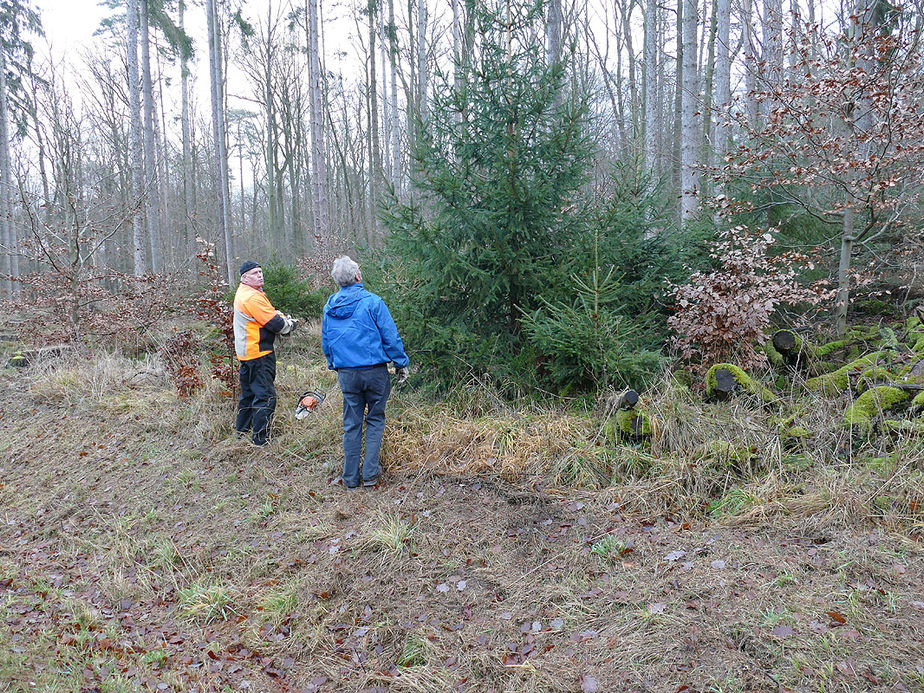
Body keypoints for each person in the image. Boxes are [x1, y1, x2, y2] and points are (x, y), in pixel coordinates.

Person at [322, 256, 409, 489]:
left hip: (347, 374)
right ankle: (370, 475)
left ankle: (350, 478)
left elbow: (327, 342)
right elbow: (390, 337)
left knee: (351, 424)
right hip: (374, 372)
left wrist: (334, 364)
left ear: (338, 280)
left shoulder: (330, 305)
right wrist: (401, 363)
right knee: (375, 419)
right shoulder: (373, 302)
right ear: (358, 276)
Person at [233, 261, 297, 446]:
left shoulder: (245, 292)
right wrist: (290, 324)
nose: (260, 275)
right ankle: (260, 440)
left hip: (246, 353)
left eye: (260, 272)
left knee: (248, 395)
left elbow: (265, 315)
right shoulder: (252, 297)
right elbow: (277, 325)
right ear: (245, 277)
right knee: (266, 397)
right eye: (254, 273)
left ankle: (241, 432)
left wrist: (277, 316)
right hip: (259, 353)